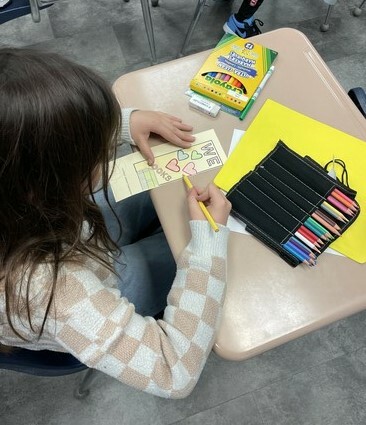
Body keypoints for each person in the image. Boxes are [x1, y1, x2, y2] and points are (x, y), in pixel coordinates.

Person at [0, 48, 231, 399]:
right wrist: (208, 246)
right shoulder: (51, 293)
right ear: (44, 185)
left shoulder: (16, 188)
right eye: (93, 154)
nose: (107, 158)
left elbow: (23, 138)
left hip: (65, 237)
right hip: (73, 276)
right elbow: (174, 372)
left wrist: (124, 123)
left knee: (164, 195)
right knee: (193, 248)